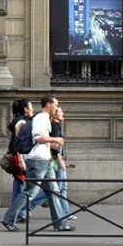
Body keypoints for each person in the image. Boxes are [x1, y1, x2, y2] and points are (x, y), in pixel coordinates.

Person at [19, 96, 71, 231]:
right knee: (30, 192)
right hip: (38, 160)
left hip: (45, 159)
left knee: (54, 190)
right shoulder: (42, 118)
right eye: (56, 105)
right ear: (48, 104)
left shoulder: (45, 119)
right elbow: (37, 137)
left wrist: (52, 144)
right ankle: (14, 215)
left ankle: (60, 224)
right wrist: (55, 140)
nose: (58, 108)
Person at [0, 99, 35, 231]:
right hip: (20, 155)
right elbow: (18, 141)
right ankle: (19, 213)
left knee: (19, 184)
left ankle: (18, 212)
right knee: (21, 185)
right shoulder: (21, 121)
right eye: (31, 107)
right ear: (25, 109)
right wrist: (20, 158)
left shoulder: (20, 120)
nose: (32, 109)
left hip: (18, 155)